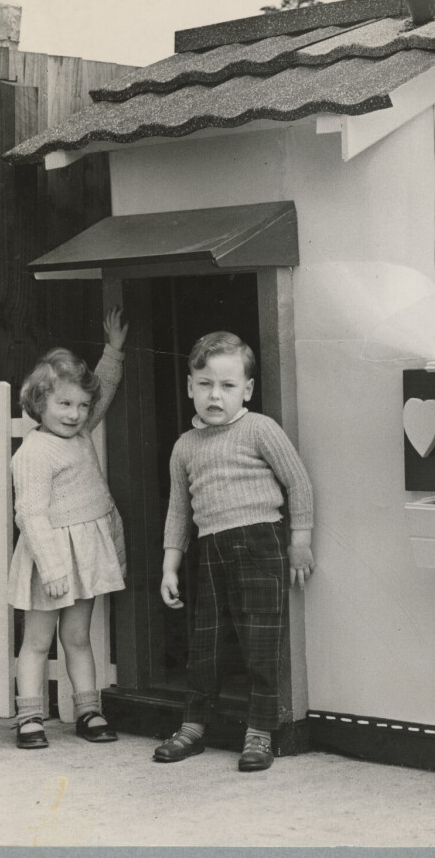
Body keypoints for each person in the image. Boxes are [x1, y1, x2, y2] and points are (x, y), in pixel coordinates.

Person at [154, 331, 315, 773]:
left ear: (246, 389)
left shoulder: (260, 428)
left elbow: (297, 481)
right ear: (190, 386)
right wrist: (171, 564)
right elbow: (177, 510)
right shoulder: (184, 446)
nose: (214, 395)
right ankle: (193, 726)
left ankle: (260, 732)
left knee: (260, 642)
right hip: (211, 549)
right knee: (205, 643)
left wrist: (299, 540)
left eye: (227, 386)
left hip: (261, 542)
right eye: (205, 383)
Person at [9, 307, 129, 749]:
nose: (76, 413)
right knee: (37, 641)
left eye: (80, 406)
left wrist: (113, 351)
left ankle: (88, 709)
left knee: (77, 637)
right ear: (39, 403)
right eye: (64, 404)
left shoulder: (78, 435)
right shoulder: (35, 453)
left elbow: (104, 393)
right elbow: (30, 515)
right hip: (51, 560)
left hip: (84, 555)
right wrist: (54, 567)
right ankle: (29, 718)